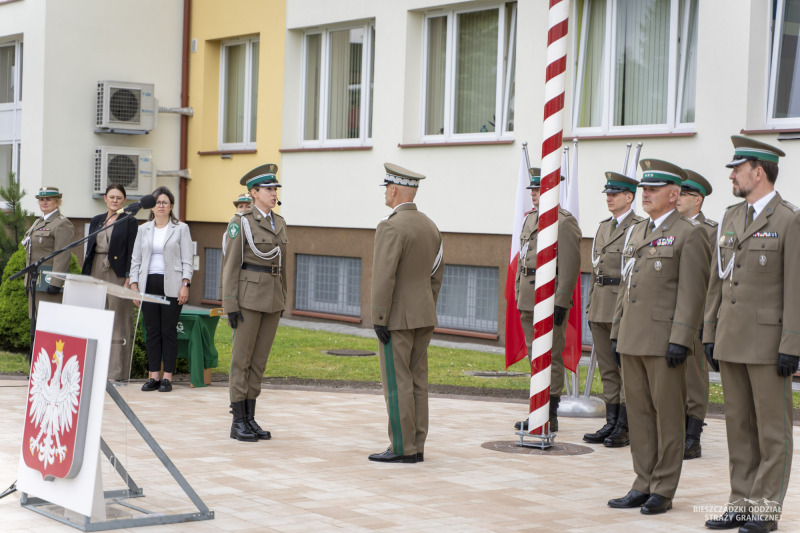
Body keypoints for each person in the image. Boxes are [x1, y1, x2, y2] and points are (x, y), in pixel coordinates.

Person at [703, 136, 799, 533]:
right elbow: (717, 280)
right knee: (738, 428)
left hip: (767, 345)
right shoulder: (730, 217)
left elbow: (796, 287)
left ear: (758, 173)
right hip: (731, 339)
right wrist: (710, 332)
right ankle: (740, 503)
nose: (731, 176)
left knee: (773, 432)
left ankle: (765, 510)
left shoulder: (789, 220)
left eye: (737, 170)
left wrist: (792, 344)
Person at [607, 159, 710, 515]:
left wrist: (681, 339)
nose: (645, 194)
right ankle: (642, 482)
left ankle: (663, 488)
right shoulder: (638, 230)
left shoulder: (690, 233)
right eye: (644, 189)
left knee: (667, 416)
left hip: (664, 340)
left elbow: (693, 293)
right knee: (638, 414)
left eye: (653, 189)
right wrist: (617, 331)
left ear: (674, 194)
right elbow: (627, 286)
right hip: (633, 337)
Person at [369, 163, 443, 463]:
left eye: (387, 188)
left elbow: (383, 276)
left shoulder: (390, 226)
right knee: (417, 382)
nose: (386, 193)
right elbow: (436, 275)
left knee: (397, 383)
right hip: (423, 314)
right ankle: (417, 445)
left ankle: (402, 448)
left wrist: (379, 317)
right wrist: (426, 305)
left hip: (397, 318)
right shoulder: (430, 226)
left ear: (395, 190)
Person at [222, 164, 287, 442]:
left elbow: (282, 265)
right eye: (269, 189)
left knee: (259, 362)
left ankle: (250, 418)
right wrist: (230, 304)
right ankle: (237, 421)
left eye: (275, 189)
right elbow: (230, 266)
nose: (274, 193)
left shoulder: (279, 222)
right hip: (248, 300)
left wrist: (283, 297)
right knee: (242, 361)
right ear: (254, 192)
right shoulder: (241, 222)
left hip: (272, 299)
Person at [513, 168, 581, 432]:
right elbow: (523, 258)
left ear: (553, 189)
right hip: (528, 297)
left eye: (539, 189)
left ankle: (549, 414)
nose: (534, 193)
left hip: (549, 299)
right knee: (534, 357)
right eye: (533, 189)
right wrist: (518, 291)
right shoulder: (530, 219)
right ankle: (536, 410)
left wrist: (561, 302)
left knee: (550, 356)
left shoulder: (563, 222)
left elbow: (570, 265)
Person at [583, 172, 642, 448]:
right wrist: (590, 305)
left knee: (625, 370)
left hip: (622, 307)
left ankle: (625, 426)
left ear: (629, 197)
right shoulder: (603, 227)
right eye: (608, 194)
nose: (609, 198)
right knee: (607, 369)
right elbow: (596, 269)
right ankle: (611, 421)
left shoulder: (638, 228)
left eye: (615, 194)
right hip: (600, 306)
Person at [129, 186, 193, 393]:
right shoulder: (143, 229)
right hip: (148, 284)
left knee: (168, 331)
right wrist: (134, 286)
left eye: (165, 202)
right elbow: (136, 259)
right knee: (152, 331)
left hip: (172, 285)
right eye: (157, 202)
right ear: (152, 206)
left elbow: (187, 259)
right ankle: (154, 376)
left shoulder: (181, 228)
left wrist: (185, 284)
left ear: (171, 206)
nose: (161, 206)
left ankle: (167, 378)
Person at [675, 169, 717, 460]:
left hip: (697, 315)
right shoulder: (670, 228)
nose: (677, 198)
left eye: (684, 194)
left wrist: (707, 320)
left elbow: (711, 280)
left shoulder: (711, 231)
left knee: (693, 376)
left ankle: (693, 436)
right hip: (668, 313)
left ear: (698, 199)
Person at [82, 184, 139, 382]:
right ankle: (94, 369)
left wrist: (129, 278)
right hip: (96, 269)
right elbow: (90, 249)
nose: (115, 200)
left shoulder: (129, 220)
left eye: (119, 197)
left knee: (119, 321)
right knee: (96, 318)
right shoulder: (97, 220)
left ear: (124, 200)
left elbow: (132, 251)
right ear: (105, 198)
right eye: (111, 197)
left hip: (118, 273)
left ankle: (116, 372)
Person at [23, 187, 74, 318]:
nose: (44, 202)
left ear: (57, 202)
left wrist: (56, 282)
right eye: (41, 199)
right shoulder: (38, 222)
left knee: (48, 321)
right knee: (35, 319)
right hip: (35, 280)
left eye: (48, 199)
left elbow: (62, 255)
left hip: (48, 282)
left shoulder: (62, 223)